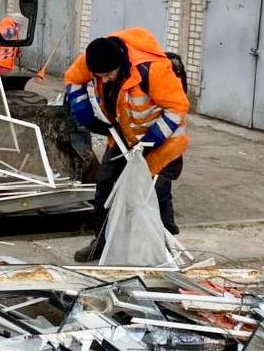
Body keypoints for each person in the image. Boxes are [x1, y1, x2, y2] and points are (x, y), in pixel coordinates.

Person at [64, 28, 189, 263]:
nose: (104, 80)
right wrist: (83, 112)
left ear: (121, 64)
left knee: (156, 191)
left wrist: (151, 141)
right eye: (98, 76)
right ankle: (101, 241)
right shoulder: (94, 58)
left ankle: (166, 245)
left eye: (109, 75)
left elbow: (177, 108)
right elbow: (73, 78)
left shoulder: (153, 69)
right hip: (124, 136)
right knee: (105, 186)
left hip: (163, 142)